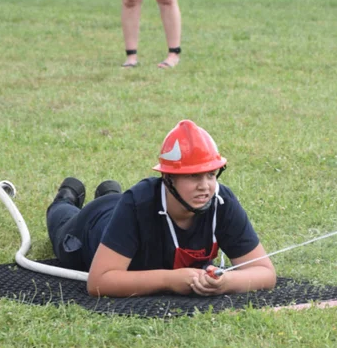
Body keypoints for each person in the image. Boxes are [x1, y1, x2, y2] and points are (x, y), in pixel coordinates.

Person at [46, 120, 276, 298]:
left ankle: (110, 191)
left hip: (121, 209)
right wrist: (170, 280)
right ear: (168, 178)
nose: (205, 186)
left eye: (211, 174)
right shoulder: (137, 204)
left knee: (116, 199)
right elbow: (99, 282)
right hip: (93, 225)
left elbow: (265, 273)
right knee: (61, 222)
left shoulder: (222, 201)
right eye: (193, 176)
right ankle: (68, 194)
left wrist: (225, 283)